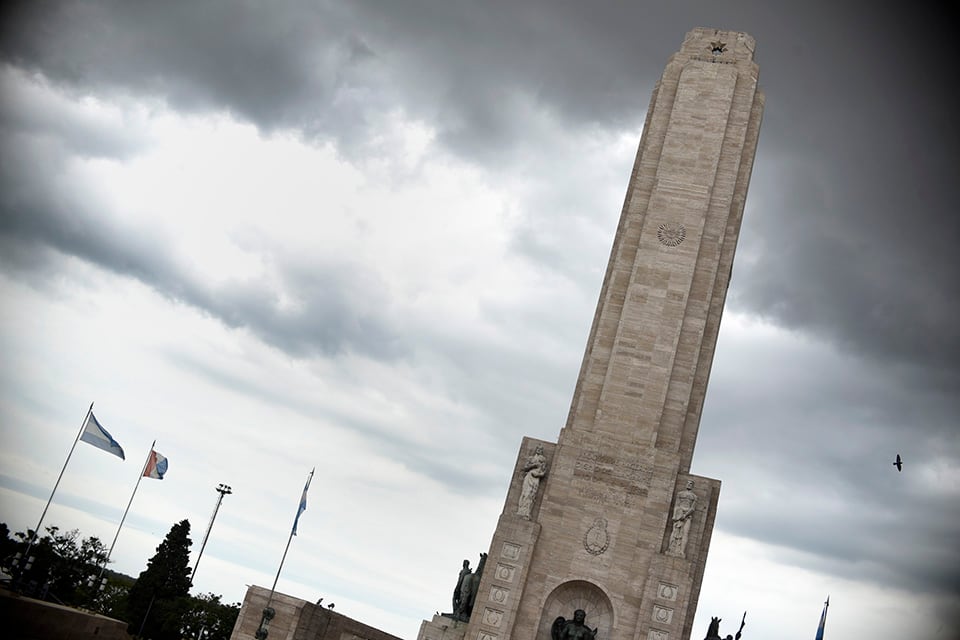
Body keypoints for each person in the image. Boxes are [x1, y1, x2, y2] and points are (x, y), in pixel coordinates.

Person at [667, 480, 697, 557]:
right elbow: (677, 505)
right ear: (686, 484)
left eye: (691, 484)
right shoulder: (680, 494)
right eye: (688, 483)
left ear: (692, 486)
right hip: (678, 515)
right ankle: (671, 548)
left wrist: (685, 515)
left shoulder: (694, 496)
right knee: (674, 532)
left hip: (687, 516)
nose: (689, 485)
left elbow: (692, 508)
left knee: (685, 533)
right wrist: (675, 515)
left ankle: (681, 551)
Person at [517, 445, 547, 518]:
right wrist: (534, 465)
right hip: (529, 476)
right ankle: (521, 511)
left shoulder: (543, 459)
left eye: (541, 449)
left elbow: (543, 471)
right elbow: (525, 468)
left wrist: (539, 474)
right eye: (538, 448)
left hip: (535, 478)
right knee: (525, 493)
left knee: (531, 494)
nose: (539, 450)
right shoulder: (531, 458)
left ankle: (527, 512)